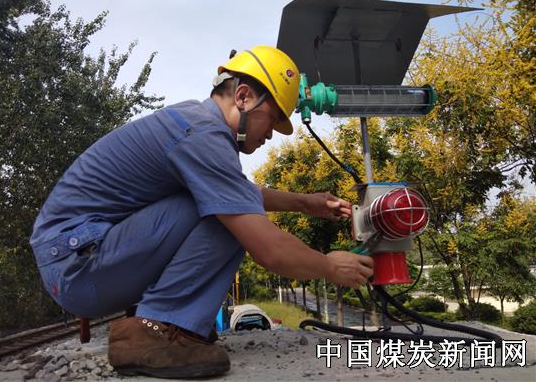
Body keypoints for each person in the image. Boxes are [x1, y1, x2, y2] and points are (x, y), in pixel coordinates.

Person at [30, 45, 374, 379]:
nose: (270, 134)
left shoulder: (193, 122)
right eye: (272, 119)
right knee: (229, 217)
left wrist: (304, 202)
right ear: (243, 97)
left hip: (78, 258)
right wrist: (330, 266)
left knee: (223, 203)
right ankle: (157, 330)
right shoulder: (203, 136)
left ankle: (163, 320)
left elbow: (236, 191)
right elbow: (268, 249)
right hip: (78, 267)